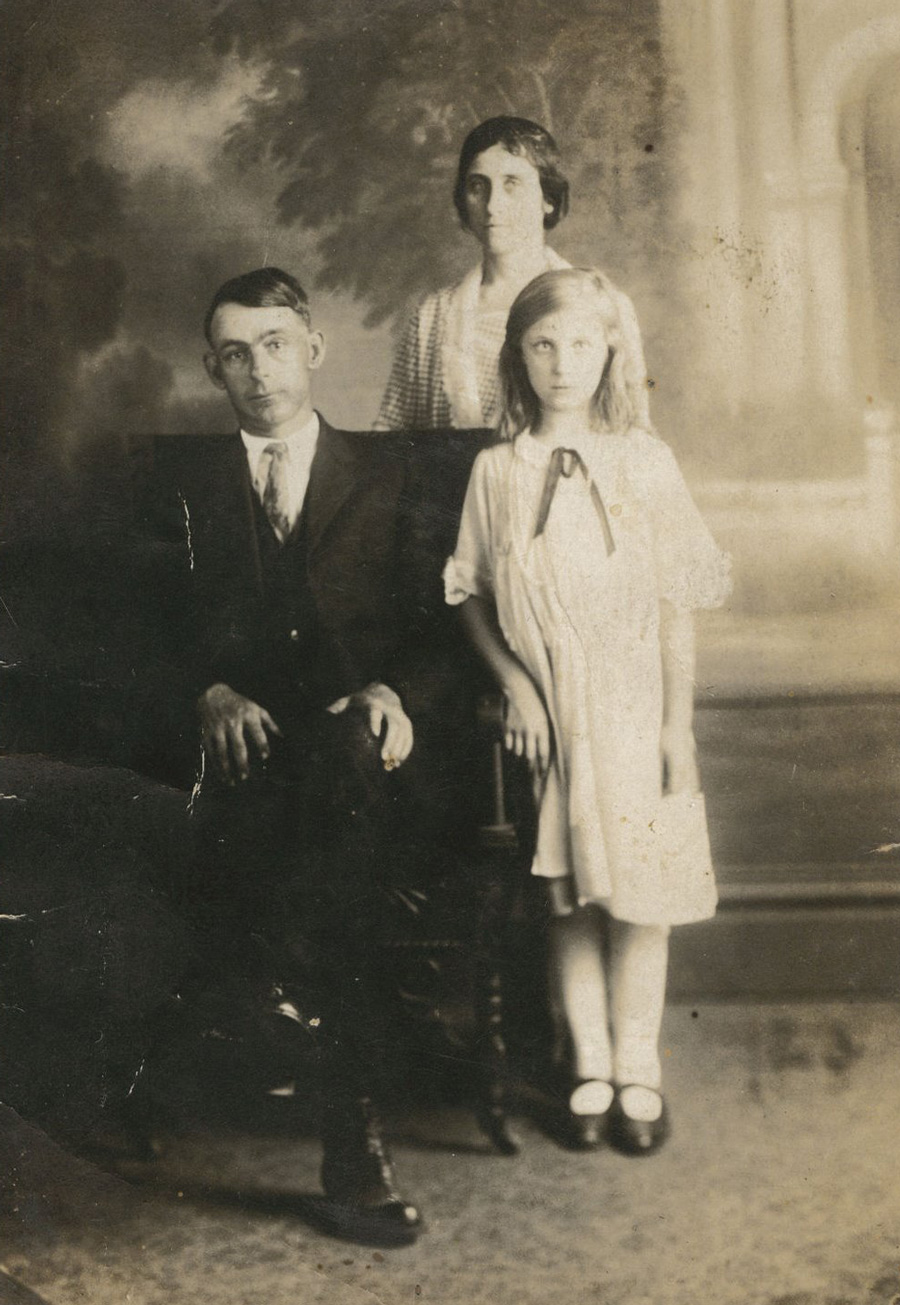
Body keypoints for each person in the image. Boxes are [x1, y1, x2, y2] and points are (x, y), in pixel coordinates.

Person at [148, 267, 421, 1243]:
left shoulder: (386, 477)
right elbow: (137, 633)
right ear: (211, 369)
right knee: (316, 856)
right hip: (237, 761)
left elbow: (441, 627)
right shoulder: (176, 489)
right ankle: (348, 1134)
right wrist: (206, 693)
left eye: (274, 345)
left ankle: (324, 1083)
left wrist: (393, 691)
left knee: (346, 770)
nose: (258, 370)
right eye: (235, 353)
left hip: (356, 761)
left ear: (313, 348)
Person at [444, 268, 730, 1153]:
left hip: (634, 707)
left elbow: (677, 602)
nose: (562, 364)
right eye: (542, 345)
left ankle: (639, 1064)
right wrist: (518, 686)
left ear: (610, 350)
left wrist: (675, 727)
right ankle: (590, 1064)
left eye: (579, 343)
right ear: (518, 358)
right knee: (567, 894)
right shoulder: (497, 471)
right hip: (552, 718)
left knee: (642, 893)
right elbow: (467, 591)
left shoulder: (644, 461)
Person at [374, 115, 649, 432]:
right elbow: (389, 437)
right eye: (478, 186)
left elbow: (634, 430)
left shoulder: (604, 306)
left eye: (512, 184)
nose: (493, 205)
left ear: (547, 198)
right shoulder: (433, 316)